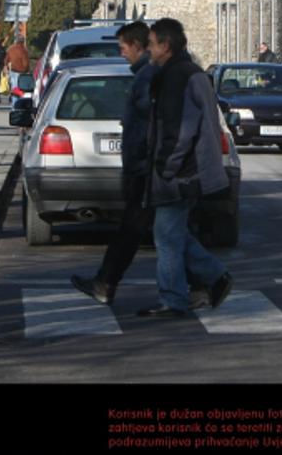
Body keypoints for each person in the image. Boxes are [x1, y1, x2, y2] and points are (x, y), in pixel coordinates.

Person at [138, 18, 233, 318]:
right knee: (172, 232)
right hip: (191, 169)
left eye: (152, 44)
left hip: (182, 173)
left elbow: (179, 128)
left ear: (165, 46)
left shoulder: (177, 77)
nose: (149, 50)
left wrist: (165, 166)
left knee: (166, 236)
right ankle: (215, 276)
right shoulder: (187, 72)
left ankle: (174, 299)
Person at [70, 22, 161, 306]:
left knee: (137, 230)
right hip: (143, 166)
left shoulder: (147, 77)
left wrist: (141, 155)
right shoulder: (146, 75)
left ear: (137, 46)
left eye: (123, 48)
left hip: (145, 168)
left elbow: (152, 121)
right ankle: (208, 277)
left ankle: (105, 282)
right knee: (159, 231)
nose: (121, 54)